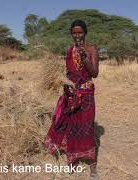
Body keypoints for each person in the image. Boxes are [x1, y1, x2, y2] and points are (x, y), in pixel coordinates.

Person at [45, 20, 99, 179]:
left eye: (80, 32)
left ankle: (92, 165)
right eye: (74, 33)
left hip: (87, 95)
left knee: (87, 128)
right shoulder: (69, 51)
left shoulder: (91, 49)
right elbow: (68, 73)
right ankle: (73, 160)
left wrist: (85, 58)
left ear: (85, 33)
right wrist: (65, 84)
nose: (77, 36)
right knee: (72, 128)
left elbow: (95, 73)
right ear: (71, 34)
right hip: (71, 95)